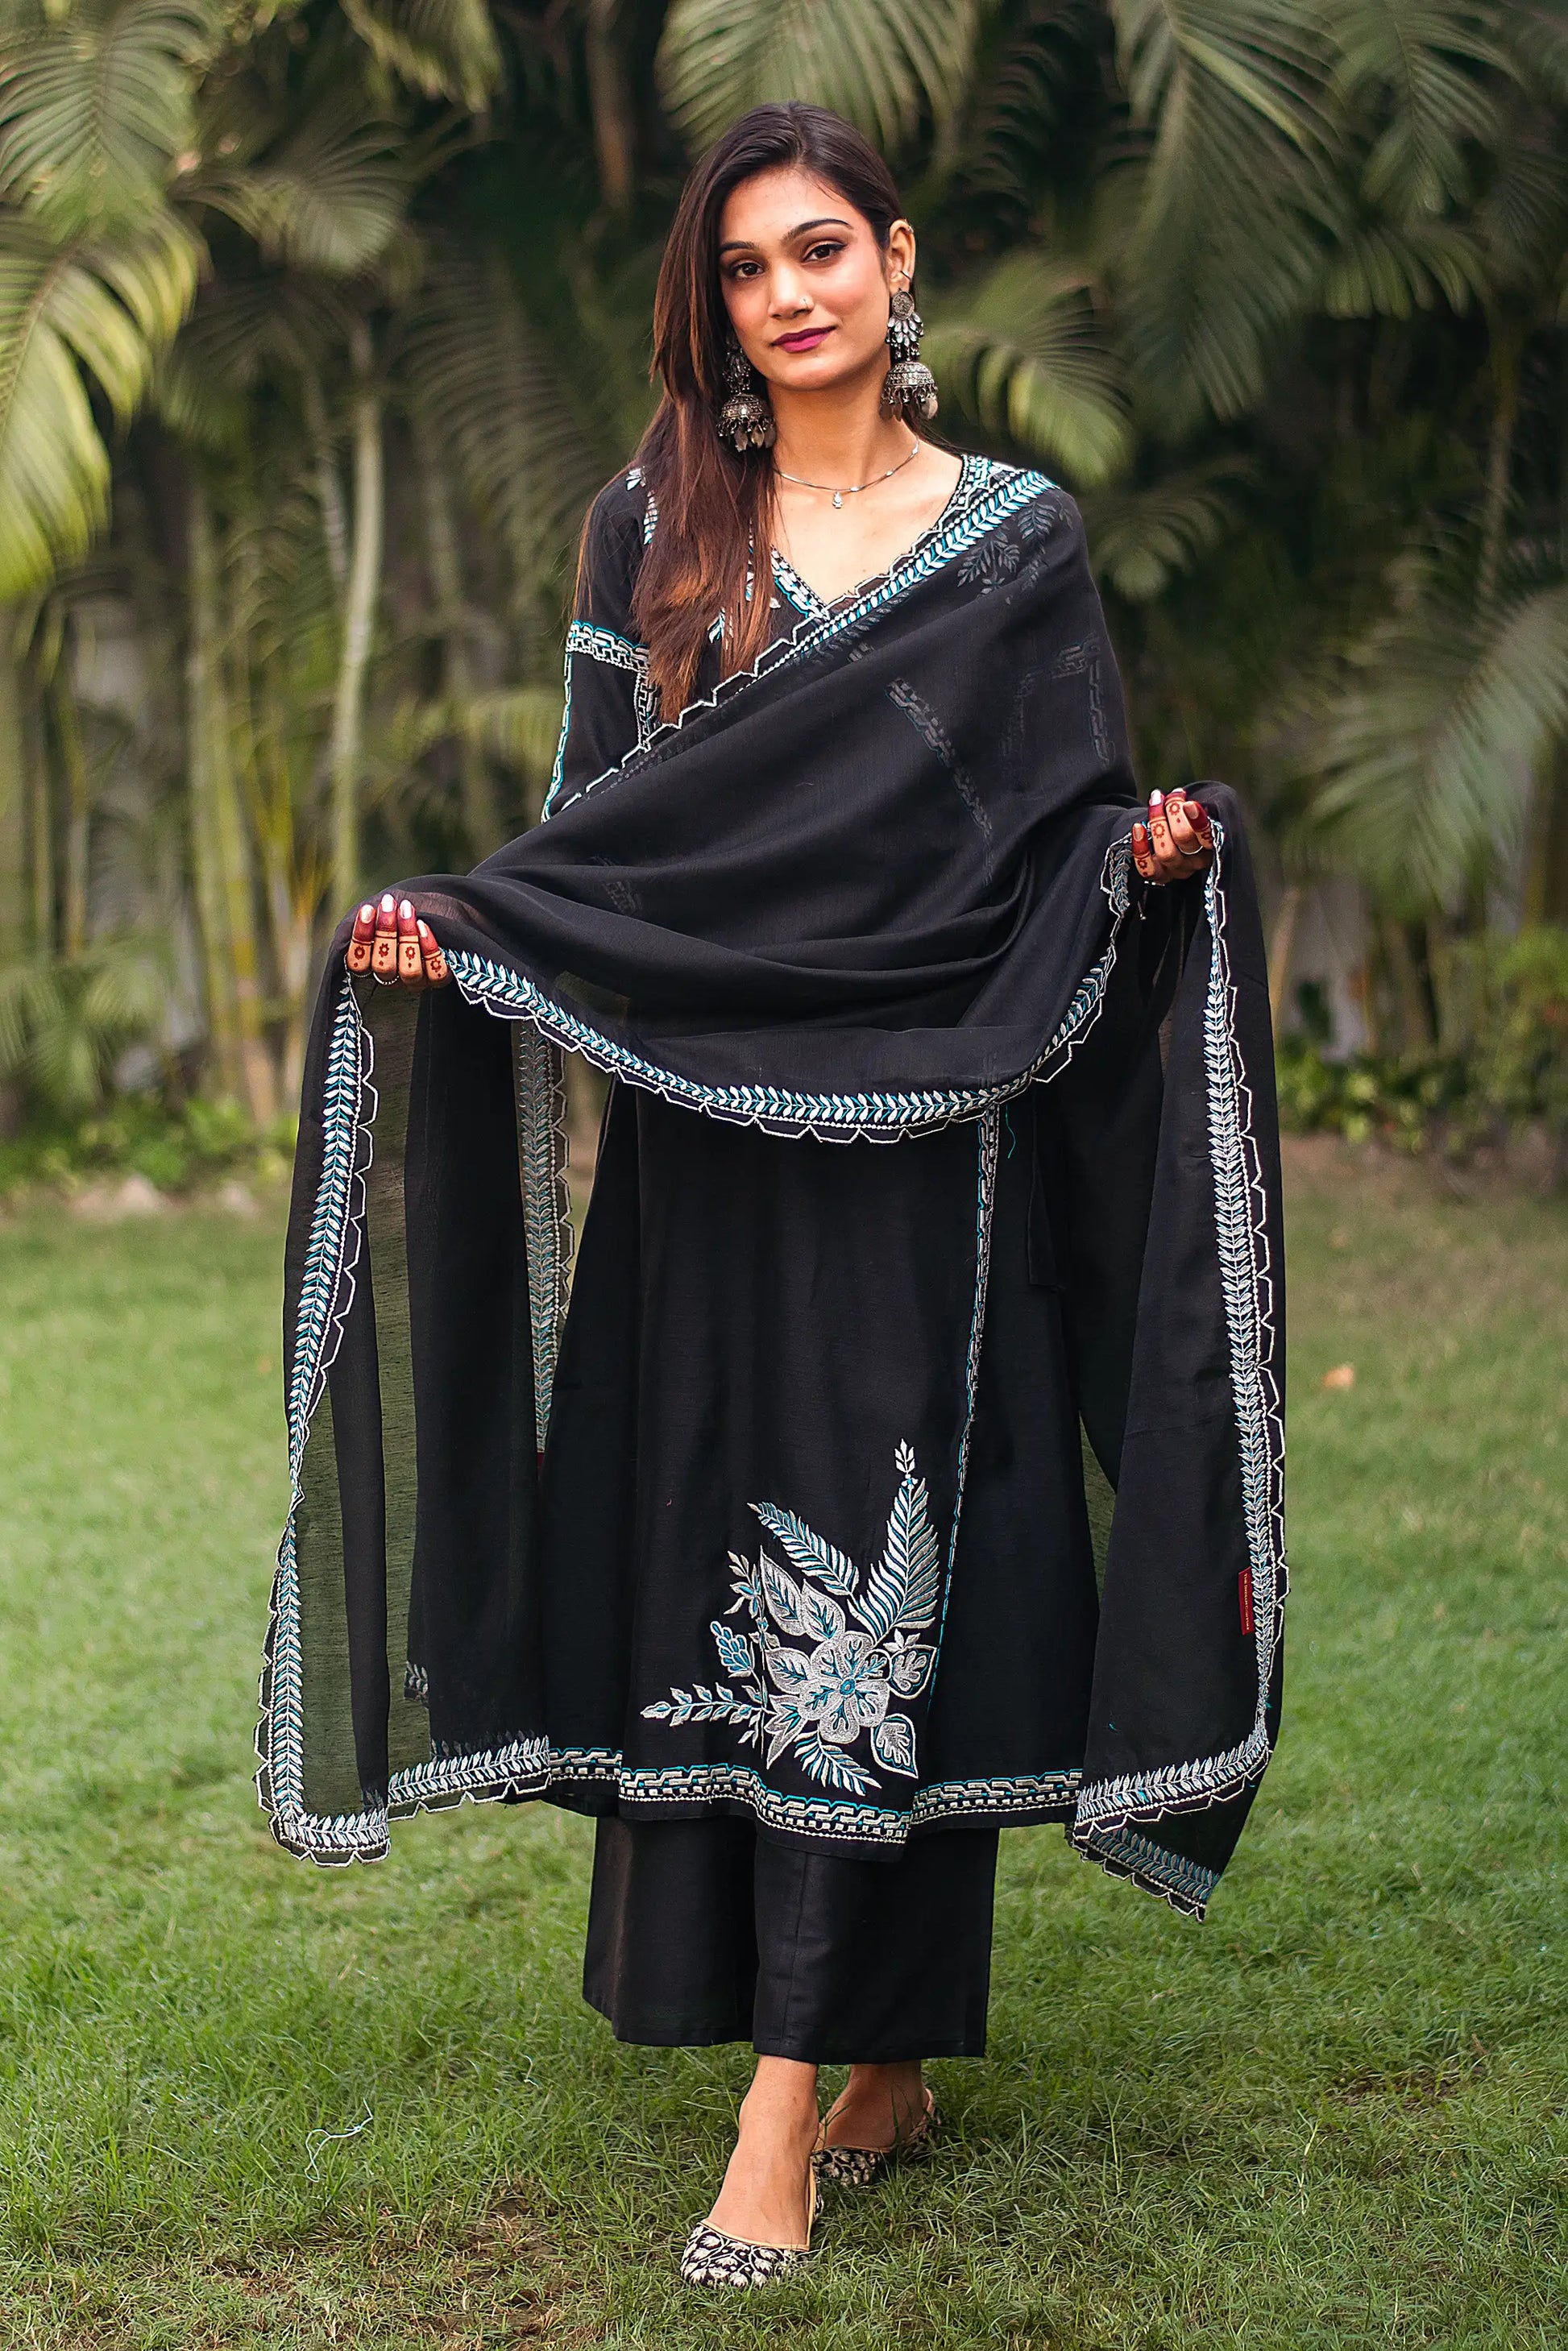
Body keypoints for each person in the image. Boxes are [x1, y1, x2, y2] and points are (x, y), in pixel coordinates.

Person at [265, 106, 1285, 2290]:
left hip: (937, 1138)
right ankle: (880, 2051)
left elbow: (1052, 839)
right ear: (712, 302)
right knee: (728, 1555)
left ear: (897, 262)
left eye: (820, 248)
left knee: (884, 1562)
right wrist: (465, 936)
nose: (788, 293)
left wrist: (1143, 866)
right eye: (744, 267)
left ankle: (780, 2120)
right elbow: (597, 841)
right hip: (709, 1151)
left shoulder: (1011, 539)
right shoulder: (650, 525)